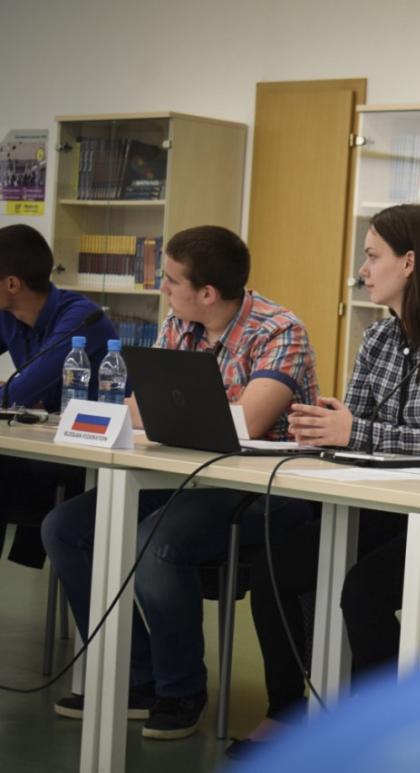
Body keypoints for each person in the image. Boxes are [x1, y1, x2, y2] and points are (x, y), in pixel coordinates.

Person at [228, 204, 420, 758]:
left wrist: (355, 430)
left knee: (363, 590)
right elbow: (351, 427)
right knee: (274, 565)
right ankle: (288, 711)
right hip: (370, 504)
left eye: (373, 256)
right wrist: (320, 428)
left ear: (410, 263)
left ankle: (384, 726)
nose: (362, 269)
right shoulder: (378, 336)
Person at [41, 225, 319, 740]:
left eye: (171, 280)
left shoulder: (281, 331)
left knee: (157, 542)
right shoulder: (179, 323)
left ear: (207, 293)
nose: (162, 288)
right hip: (183, 476)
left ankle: (180, 688)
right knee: (64, 528)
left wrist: (156, 413)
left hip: (264, 491)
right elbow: (141, 405)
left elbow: (249, 422)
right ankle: (137, 676)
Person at [0, 224, 115, 568]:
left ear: (12, 284)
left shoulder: (81, 318)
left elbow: (20, 391)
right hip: (40, 450)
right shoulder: (9, 315)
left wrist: (15, 395)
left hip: (87, 463)